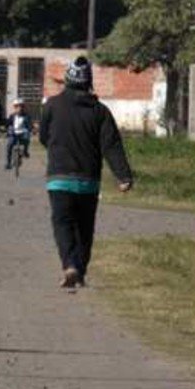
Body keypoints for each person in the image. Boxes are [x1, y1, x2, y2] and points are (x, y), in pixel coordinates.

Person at [38, 56, 134, 289]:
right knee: (84, 227)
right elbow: (111, 145)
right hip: (88, 181)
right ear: (89, 82)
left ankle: (70, 265)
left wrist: (58, 150)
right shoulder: (100, 111)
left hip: (59, 179)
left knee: (63, 223)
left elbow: (43, 137)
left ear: (67, 80)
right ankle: (80, 270)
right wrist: (123, 176)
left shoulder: (51, 106)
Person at [3, 98, 33, 171]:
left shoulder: (27, 116)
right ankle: (8, 163)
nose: (19, 108)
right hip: (14, 133)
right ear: (14, 107)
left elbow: (29, 125)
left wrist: (31, 129)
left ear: (23, 107)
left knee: (26, 138)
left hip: (23, 133)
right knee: (9, 145)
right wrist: (5, 129)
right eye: (17, 106)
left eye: (21, 106)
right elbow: (8, 124)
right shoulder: (12, 116)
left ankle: (25, 151)